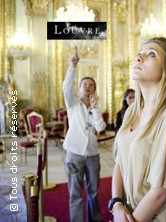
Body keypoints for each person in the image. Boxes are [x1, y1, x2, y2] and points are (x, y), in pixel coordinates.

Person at [110, 37, 166, 222]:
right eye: (139, 53)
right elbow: (119, 163)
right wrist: (116, 204)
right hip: (128, 212)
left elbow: (160, 193)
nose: (139, 58)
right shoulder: (131, 111)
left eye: (151, 54)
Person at [63, 46, 106, 222]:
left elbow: (101, 127)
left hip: (92, 155)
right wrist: (73, 66)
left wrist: (95, 109)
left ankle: (95, 219)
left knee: (94, 192)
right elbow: (66, 87)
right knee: (75, 193)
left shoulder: (96, 108)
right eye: (84, 85)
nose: (87, 88)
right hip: (74, 153)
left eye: (91, 86)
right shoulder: (73, 104)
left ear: (93, 90)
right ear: (80, 89)